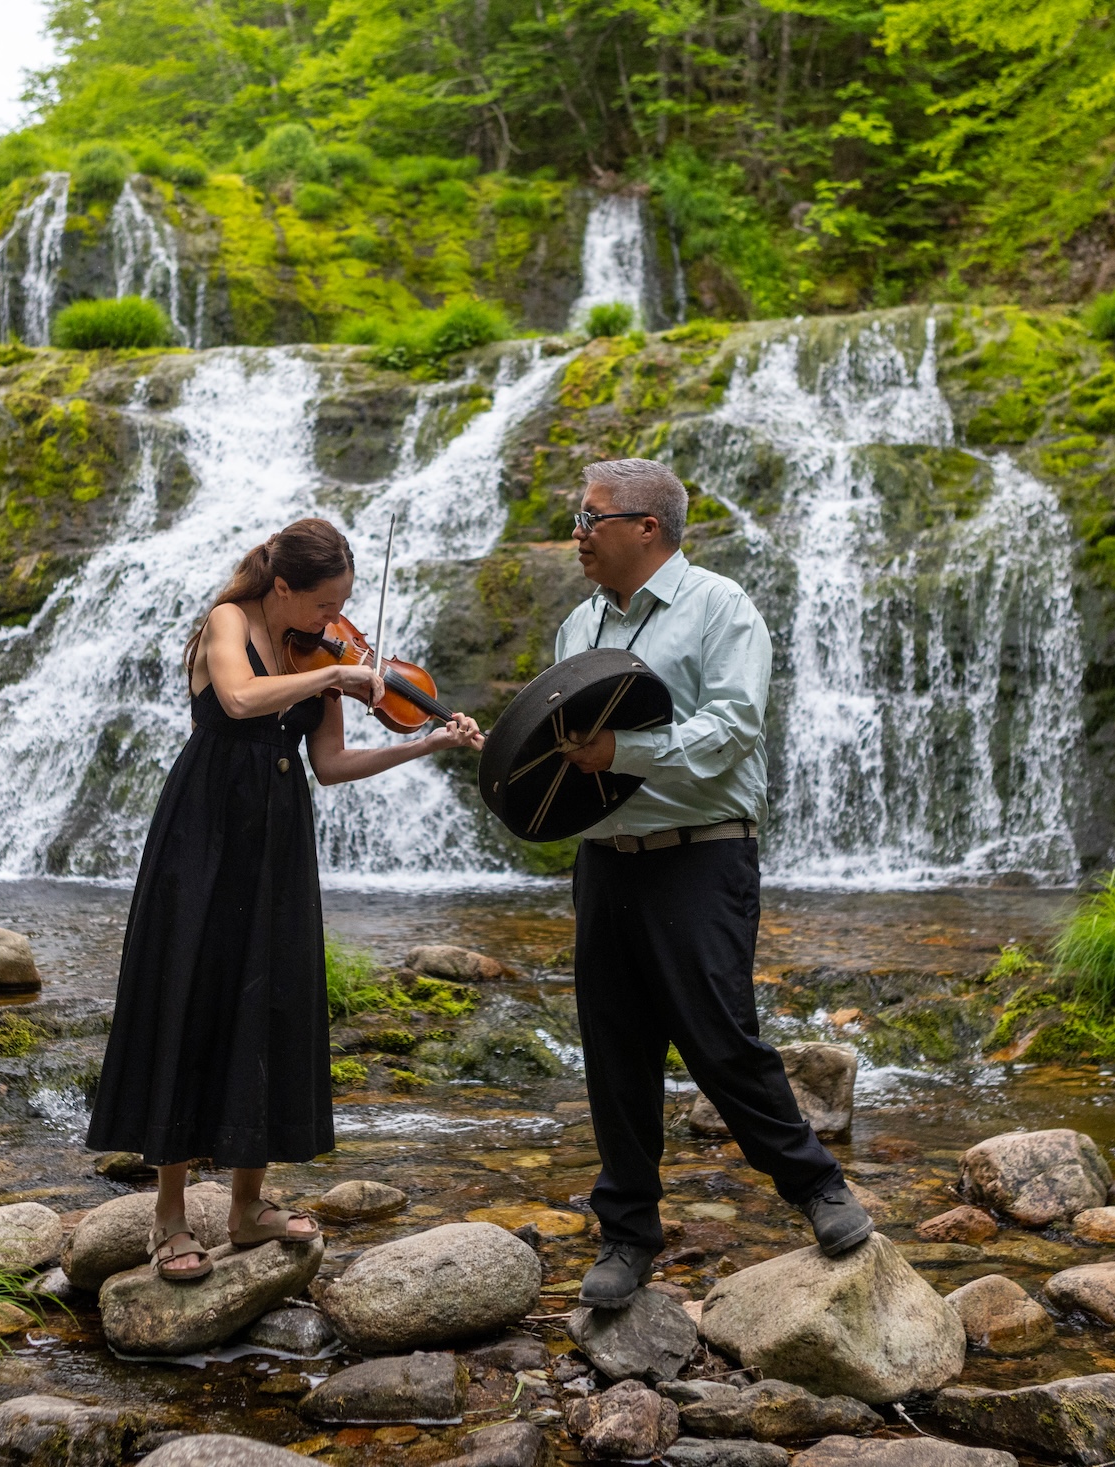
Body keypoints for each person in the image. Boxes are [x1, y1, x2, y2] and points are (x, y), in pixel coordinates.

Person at [86, 517, 486, 1281]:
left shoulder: (319, 649)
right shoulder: (229, 621)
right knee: (192, 996)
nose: (334, 622)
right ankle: (168, 1217)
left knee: (267, 999)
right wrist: (333, 678)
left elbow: (330, 762)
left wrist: (423, 742)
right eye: (323, 605)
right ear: (281, 586)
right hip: (203, 831)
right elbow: (238, 699)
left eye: (341, 606)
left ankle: (248, 1206)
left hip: (277, 838)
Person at [553, 458, 871, 1308]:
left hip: (701, 855)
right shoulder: (577, 626)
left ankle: (817, 1186)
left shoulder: (721, 607)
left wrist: (621, 752)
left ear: (645, 526)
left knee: (720, 1036)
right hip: (604, 861)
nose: (576, 533)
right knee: (614, 1051)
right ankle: (628, 1234)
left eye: (590, 518)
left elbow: (732, 729)